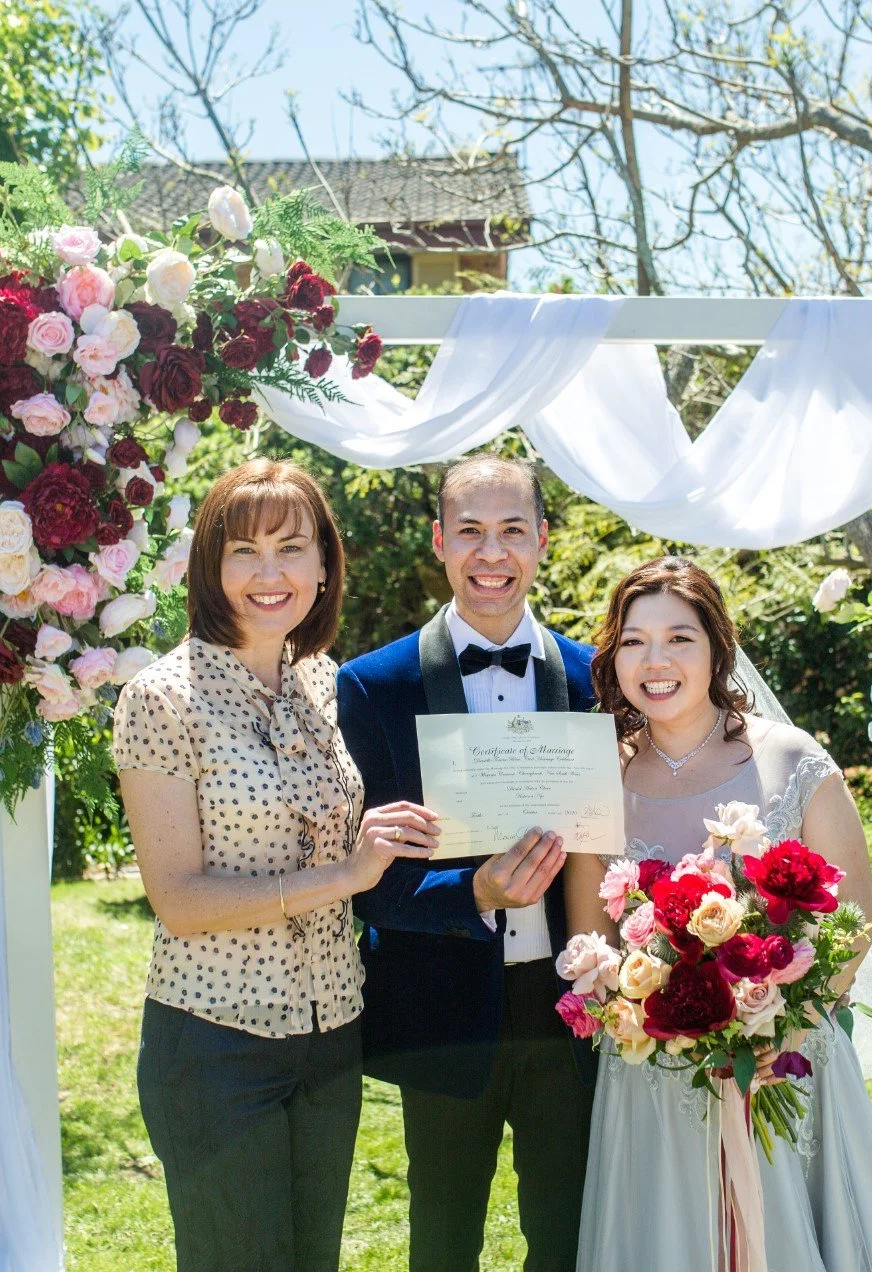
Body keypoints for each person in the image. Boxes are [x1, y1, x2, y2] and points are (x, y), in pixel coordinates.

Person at [112, 458, 434, 1271]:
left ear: (324, 565)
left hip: (332, 1036)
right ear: (209, 568)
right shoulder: (160, 698)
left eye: (291, 549)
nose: (269, 574)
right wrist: (343, 877)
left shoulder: (326, 682)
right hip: (216, 1042)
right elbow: (178, 903)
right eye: (243, 552)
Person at [564, 556, 872, 1272]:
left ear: (716, 648)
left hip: (783, 1062)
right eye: (634, 641)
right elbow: (590, 943)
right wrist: (640, 1015)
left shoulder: (790, 759)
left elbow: (851, 917)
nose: (656, 659)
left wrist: (777, 1021)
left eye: (679, 638)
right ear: (613, 655)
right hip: (652, 1072)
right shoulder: (595, 777)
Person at [336, 453, 597, 1272]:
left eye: (512, 531)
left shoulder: (597, 677)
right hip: (440, 1003)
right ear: (440, 541)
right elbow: (368, 885)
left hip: (568, 1007)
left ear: (543, 541)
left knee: (566, 1227)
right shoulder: (374, 684)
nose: (492, 554)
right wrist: (473, 891)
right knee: (443, 1233)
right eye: (472, 532)